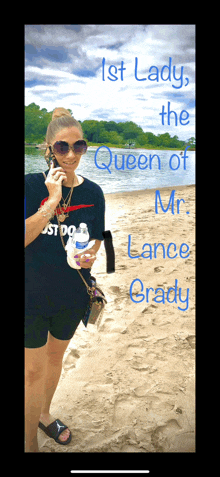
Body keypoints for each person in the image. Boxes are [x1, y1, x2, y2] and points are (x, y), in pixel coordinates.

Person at [25, 107, 105, 452]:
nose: (71, 155)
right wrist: (51, 202)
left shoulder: (94, 193)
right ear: (48, 148)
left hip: (71, 295)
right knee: (31, 372)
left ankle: (43, 414)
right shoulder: (30, 185)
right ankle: (29, 443)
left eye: (79, 146)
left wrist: (92, 254)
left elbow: (98, 237)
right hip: (31, 295)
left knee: (55, 361)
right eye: (62, 147)